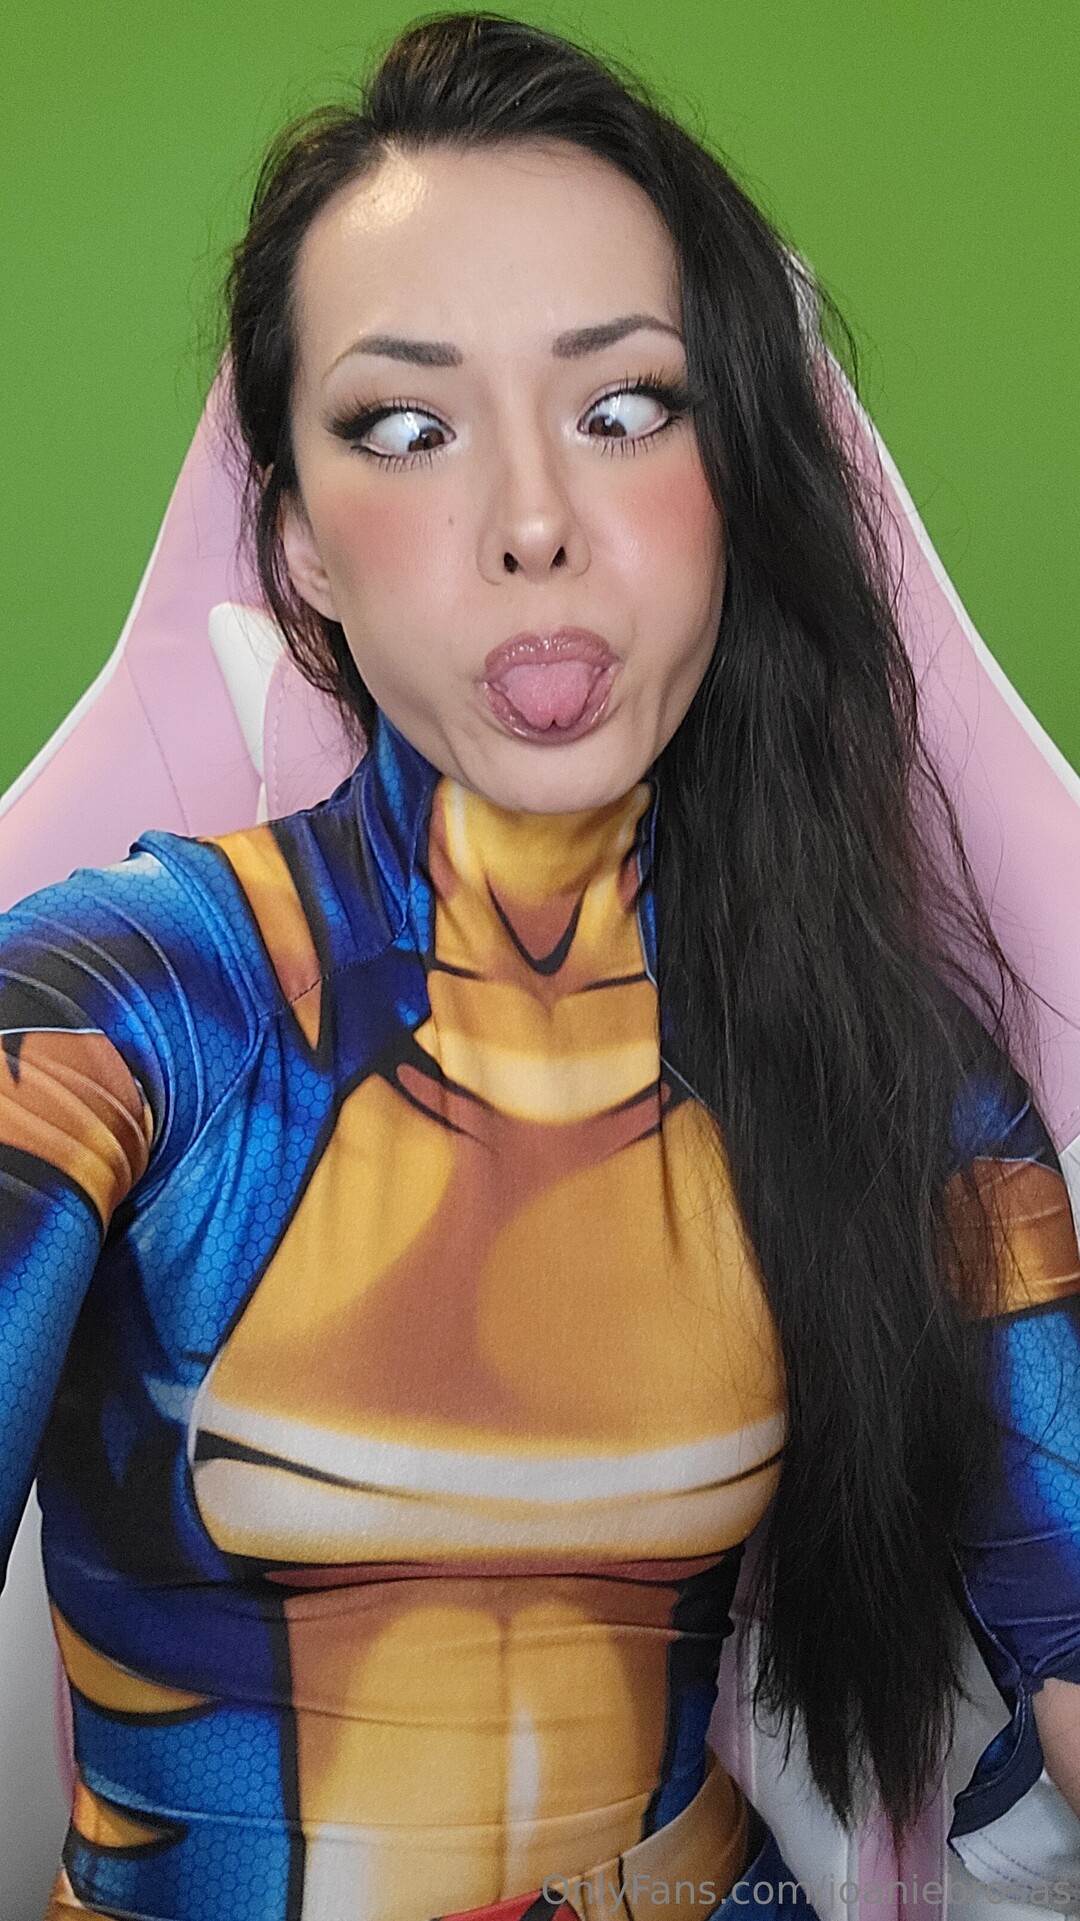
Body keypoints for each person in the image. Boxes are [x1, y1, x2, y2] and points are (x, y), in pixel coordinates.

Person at [2, 11, 1079, 1918]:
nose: (532, 525)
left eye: (626, 407)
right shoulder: (123, 1016)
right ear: (297, 544)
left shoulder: (893, 1079)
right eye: (407, 428)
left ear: (736, 482)